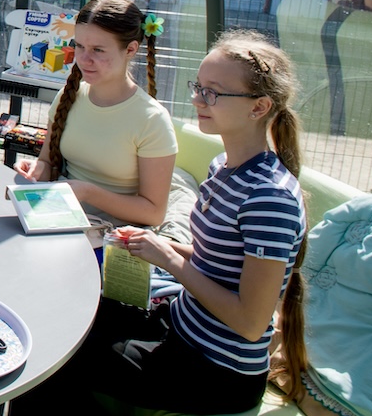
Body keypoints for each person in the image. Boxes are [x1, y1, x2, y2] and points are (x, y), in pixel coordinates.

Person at [37, 30, 308, 414]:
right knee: (61, 313)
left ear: (259, 107)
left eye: (213, 93)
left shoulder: (270, 198)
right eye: (198, 86)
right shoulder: (224, 167)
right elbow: (220, 260)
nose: (197, 99)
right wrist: (148, 245)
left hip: (215, 370)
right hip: (180, 323)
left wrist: (170, 259)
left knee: (58, 356)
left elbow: (250, 322)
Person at [14, 0, 176, 231]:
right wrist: (37, 170)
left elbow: (153, 213)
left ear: (131, 49)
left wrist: (88, 193)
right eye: (79, 46)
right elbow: (47, 162)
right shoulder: (68, 96)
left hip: (113, 238)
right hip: (58, 219)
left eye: (98, 50)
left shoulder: (152, 120)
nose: (84, 59)